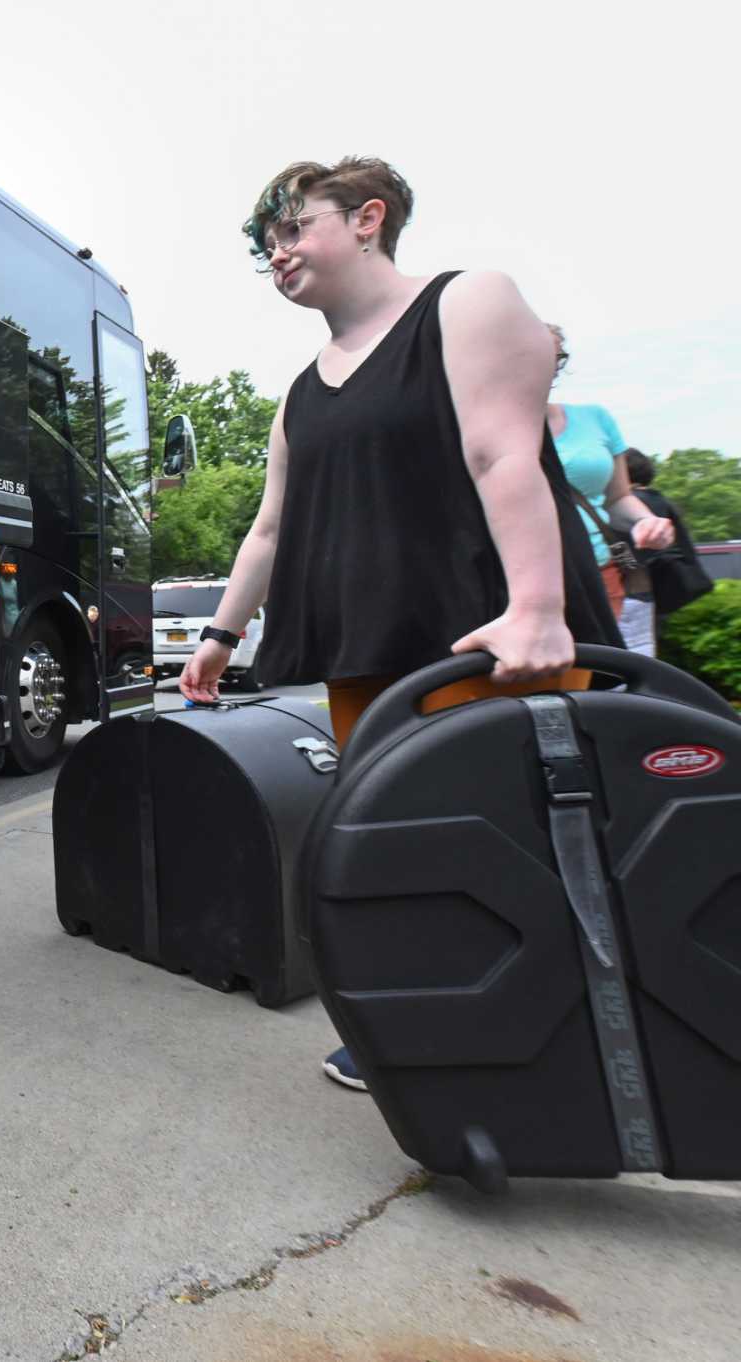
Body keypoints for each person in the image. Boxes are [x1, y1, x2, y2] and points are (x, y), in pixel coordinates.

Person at [178, 158, 623, 1093]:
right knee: (403, 843)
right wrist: (220, 638)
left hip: (488, 638)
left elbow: (504, 450)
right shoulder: (303, 389)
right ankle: (425, 1020)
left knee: (527, 842)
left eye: (294, 230)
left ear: (369, 218)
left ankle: (582, 1044)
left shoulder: (470, 301)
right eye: (267, 248)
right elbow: (269, 527)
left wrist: (538, 608)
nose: (278, 255)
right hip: (366, 656)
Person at [540, 326, 674, 622]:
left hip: (597, 572)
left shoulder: (595, 418)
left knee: (598, 667)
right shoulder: (468, 424)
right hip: (507, 581)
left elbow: (617, 499)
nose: (548, 367)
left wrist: (645, 522)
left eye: (556, 358)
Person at [621, 447, 705, 654]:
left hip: (632, 594)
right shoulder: (660, 500)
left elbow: (623, 550)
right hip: (660, 590)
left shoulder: (628, 505)